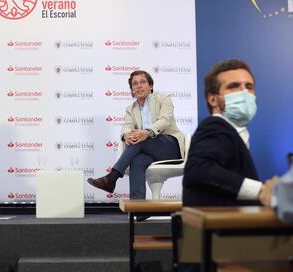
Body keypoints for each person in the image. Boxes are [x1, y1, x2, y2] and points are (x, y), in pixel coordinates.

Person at [182, 59, 279, 207]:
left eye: (249, 86)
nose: (244, 92)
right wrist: (260, 190)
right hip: (221, 228)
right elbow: (198, 170)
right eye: (234, 86)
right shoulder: (215, 126)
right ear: (213, 99)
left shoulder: (236, 133)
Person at [87, 70, 185, 200]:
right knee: (137, 161)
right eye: (135, 84)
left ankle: (111, 178)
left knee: (140, 139)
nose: (139, 86)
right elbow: (127, 126)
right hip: (147, 150)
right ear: (132, 90)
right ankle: (138, 207)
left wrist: (147, 132)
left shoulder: (163, 98)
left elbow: (164, 120)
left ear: (150, 86)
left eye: (143, 82)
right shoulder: (130, 109)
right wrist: (126, 135)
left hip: (170, 147)